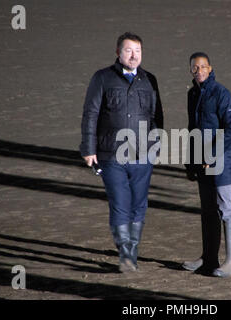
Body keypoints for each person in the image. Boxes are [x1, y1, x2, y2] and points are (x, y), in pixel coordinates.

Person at [79, 32, 163, 273]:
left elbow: (157, 117)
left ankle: (132, 251)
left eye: (137, 50)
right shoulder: (102, 78)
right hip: (110, 154)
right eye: (128, 50)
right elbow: (90, 114)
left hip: (142, 155)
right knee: (120, 203)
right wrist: (88, 148)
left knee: (139, 205)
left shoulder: (150, 80)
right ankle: (125, 253)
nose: (133, 55)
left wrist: (156, 145)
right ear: (118, 52)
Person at [182, 52, 231, 277]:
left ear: (210, 68)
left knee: (225, 208)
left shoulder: (221, 93)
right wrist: (191, 162)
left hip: (222, 162)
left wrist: (211, 154)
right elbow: (192, 129)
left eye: (203, 67)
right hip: (201, 163)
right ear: (191, 71)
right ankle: (209, 259)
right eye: (195, 68)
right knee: (207, 211)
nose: (199, 71)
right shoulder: (193, 94)